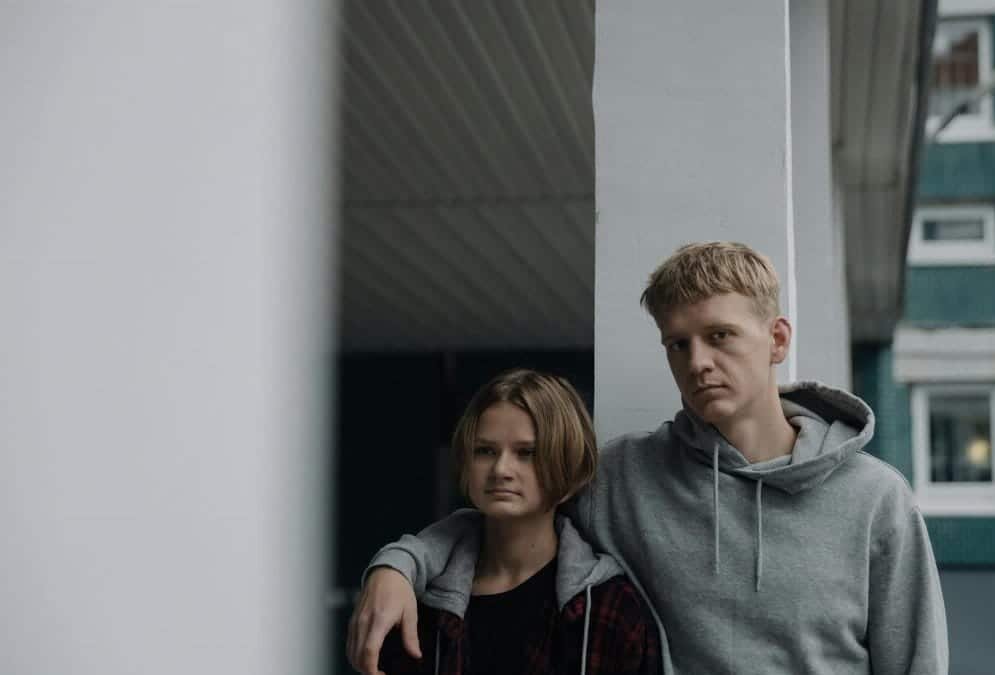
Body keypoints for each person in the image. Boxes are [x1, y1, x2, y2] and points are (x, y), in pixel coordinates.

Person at [349, 242, 948, 675]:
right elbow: (504, 511)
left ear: (777, 340)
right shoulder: (624, 477)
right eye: (677, 344)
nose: (697, 362)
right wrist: (398, 566)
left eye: (720, 336)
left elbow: (917, 662)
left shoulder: (875, 498)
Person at [375, 368, 659, 675]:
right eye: (485, 451)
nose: (501, 469)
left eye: (527, 452)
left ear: (570, 469)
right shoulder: (418, 598)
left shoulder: (608, 605)